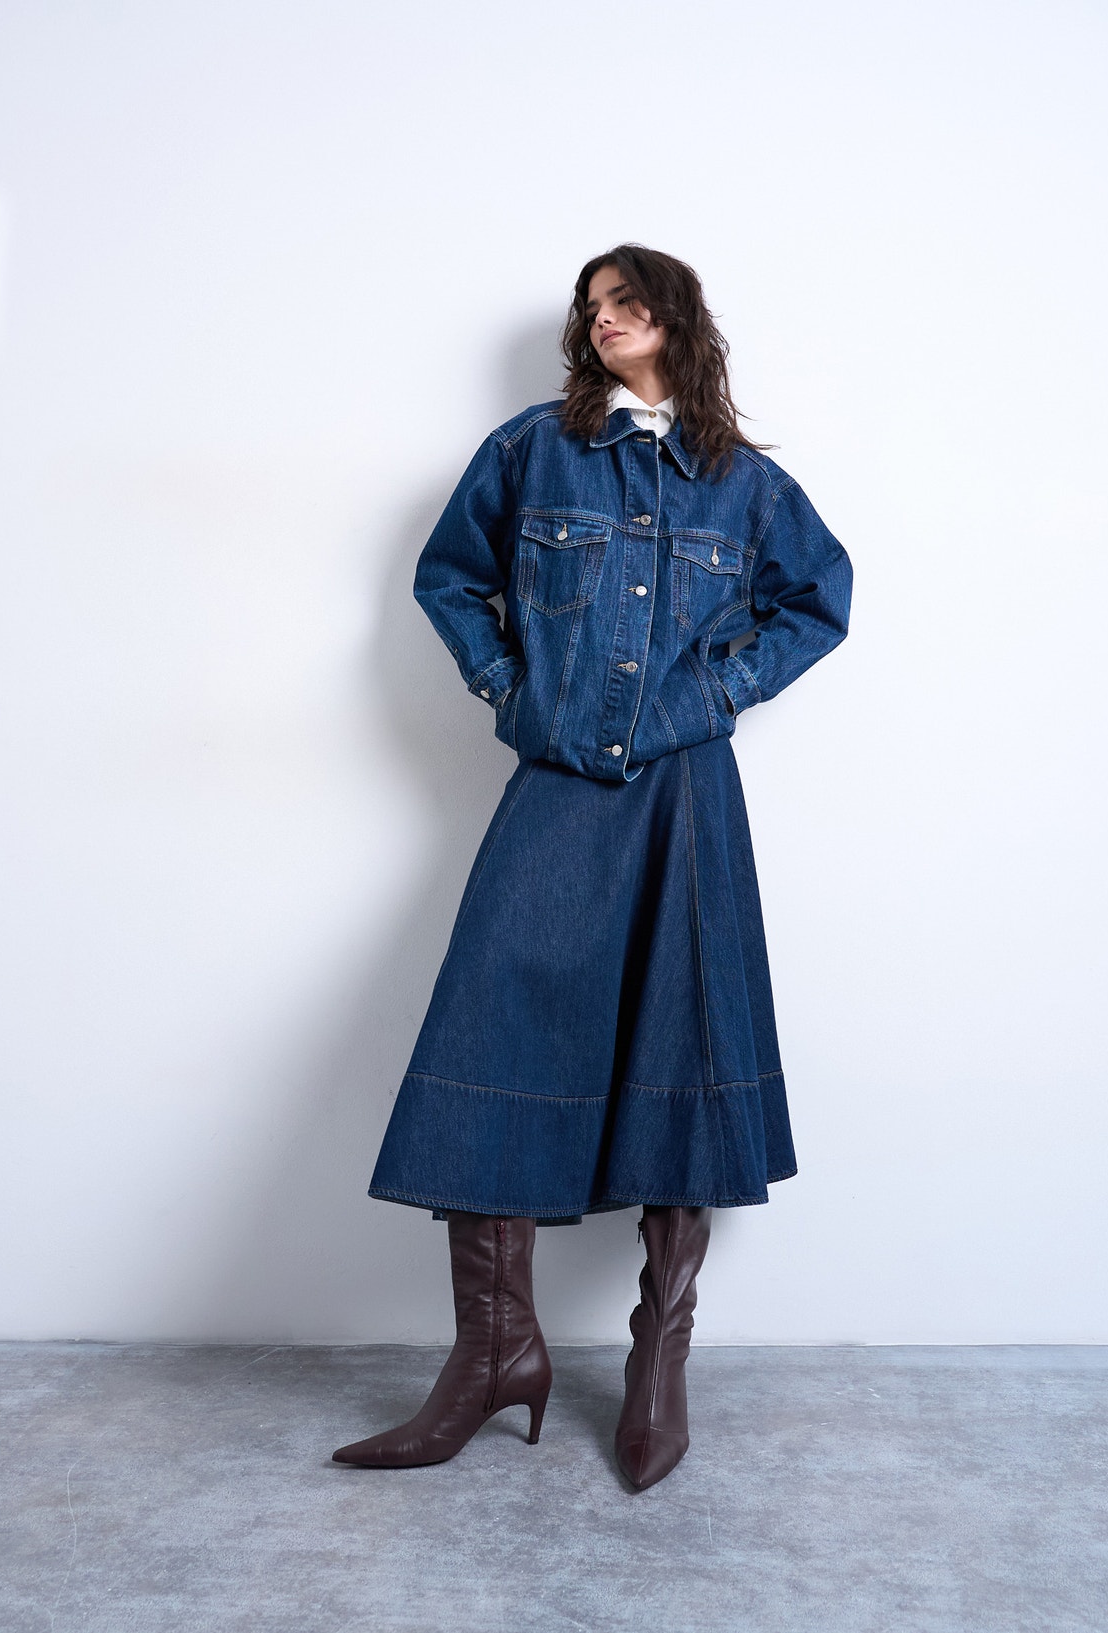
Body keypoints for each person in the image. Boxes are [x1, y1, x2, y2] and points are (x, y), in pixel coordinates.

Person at [331, 245, 853, 1490]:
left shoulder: (744, 484)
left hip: (685, 794)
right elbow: (449, 578)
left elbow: (818, 599)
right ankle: (492, 1354)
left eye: (624, 300)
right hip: (559, 779)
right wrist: (512, 693)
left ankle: (657, 1360)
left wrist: (712, 694)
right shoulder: (532, 449)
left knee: (685, 1047)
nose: (602, 318)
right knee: (491, 1029)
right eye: (591, 305)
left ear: (673, 316)